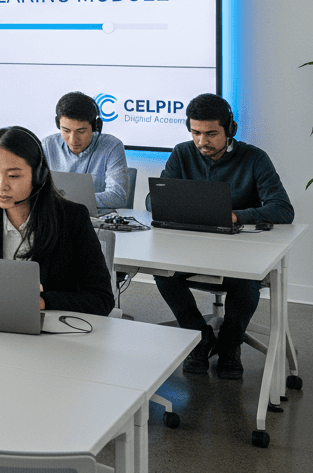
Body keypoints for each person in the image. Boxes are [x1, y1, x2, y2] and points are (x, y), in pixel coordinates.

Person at [156, 93, 294, 379]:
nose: (201, 142)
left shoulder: (254, 158)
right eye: (195, 132)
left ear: (230, 129)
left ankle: (231, 343)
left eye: (211, 134)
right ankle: (200, 336)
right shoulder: (182, 153)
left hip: (240, 253)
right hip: (192, 250)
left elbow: (283, 209)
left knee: (246, 281)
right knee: (162, 271)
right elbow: (153, 201)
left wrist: (237, 215)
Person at [0, 126, 114, 316]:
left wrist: (43, 301)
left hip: (51, 335)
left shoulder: (72, 219)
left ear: (39, 176)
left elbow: (102, 299)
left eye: (13, 176)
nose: (1, 186)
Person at [41, 91, 129, 210]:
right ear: (58, 124)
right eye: (66, 131)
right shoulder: (48, 145)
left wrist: (65, 200)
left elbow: (117, 197)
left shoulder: (112, 147)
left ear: (95, 126)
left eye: (81, 131)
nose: (73, 140)